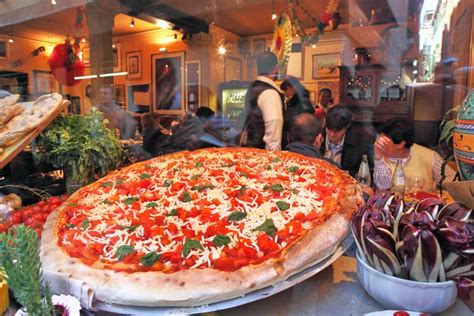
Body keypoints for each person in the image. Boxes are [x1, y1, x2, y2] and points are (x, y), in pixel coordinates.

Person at [373, 118, 456, 191]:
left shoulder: (429, 156)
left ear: (401, 144)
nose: (379, 143)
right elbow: (384, 188)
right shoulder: (381, 158)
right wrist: (378, 158)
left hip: (422, 206)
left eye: (383, 141)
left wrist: (439, 190)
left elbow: (452, 181)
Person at [242, 51, 284, 151]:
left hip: (251, 150)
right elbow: (273, 130)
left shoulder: (252, 87)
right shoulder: (270, 92)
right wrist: (274, 159)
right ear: (276, 68)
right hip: (262, 154)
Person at [320, 106, 373, 177]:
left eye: (337, 131)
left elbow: (368, 173)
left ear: (347, 126)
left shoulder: (360, 144)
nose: (332, 134)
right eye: (329, 129)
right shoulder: (316, 137)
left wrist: (347, 174)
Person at [280, 77, 314, 147]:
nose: (285, 93)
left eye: (286, 89)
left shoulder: (302, 104)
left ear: (293, 88)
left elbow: (294, 122)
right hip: (293, 139)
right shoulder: (294, 102)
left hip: (298, 141)